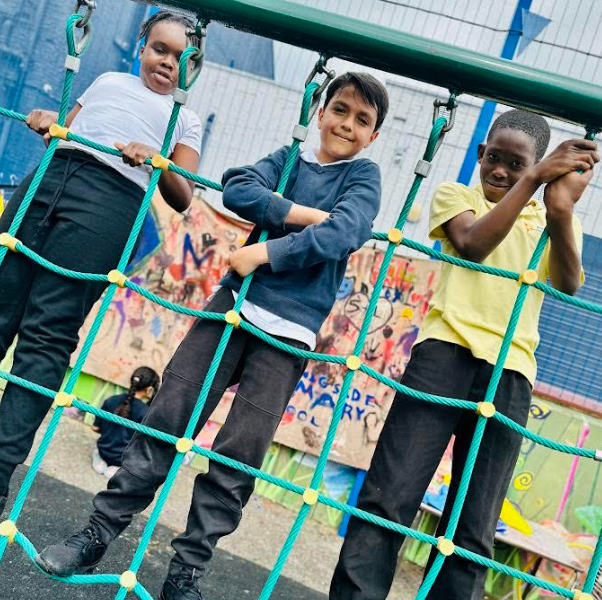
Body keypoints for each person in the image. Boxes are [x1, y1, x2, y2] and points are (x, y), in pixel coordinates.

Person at [35, 71, 389, 600]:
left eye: (362, 120)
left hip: (290, 332)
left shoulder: (363, 175)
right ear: (320, 112)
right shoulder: (290, 160)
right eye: (339, 109)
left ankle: (186, 572)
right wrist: (302, 214)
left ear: (374, 136)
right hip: (232, 308)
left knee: (237, 455)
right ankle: (97, 533)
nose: (347, 124)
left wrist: (263, 252)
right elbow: (238, 185)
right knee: (166, 419)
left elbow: (347, 231)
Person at [329, 109, 598, 600]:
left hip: (510, 372)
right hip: (443, 357)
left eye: (517, 165)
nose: (501, 171)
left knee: (473, 526)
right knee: (390, 495)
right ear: (479, 154)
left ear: (536, 166)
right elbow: (472, 244)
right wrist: (534, 179)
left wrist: (560, 211)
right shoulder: (458, 197)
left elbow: (567, 284)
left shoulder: (549, 221)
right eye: (494, 158)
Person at [0, 11, 202, 518]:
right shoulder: (109, 80)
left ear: (194, 67)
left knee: (47, 333)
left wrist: (158, 161)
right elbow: (69, 128)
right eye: (160, 49)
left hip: (111, 201)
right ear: (142, 47)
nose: (168, 62)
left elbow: (184, 195)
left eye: (181, 58)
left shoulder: (184, 118)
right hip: (50, 176)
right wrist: (49, 121)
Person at [91, 367, 160, 479]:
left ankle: (100, 458)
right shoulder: (146, 413)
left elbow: (95, 428)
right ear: (149, 389)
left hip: (103, 450)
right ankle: (114, 468)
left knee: (102, 463)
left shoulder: (111, 400)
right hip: (123, 459)